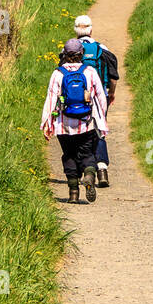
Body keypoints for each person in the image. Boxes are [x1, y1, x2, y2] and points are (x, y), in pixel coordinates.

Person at [42, 38, 109, 203]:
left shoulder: (58, 73)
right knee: (87, 153)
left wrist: (46, 123)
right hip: (86, 123)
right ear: (82, 54)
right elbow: (101, 97)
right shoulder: (90, 71)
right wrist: (101, 118)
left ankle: (73, 192)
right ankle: (88, 175)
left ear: (64, 54)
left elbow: (50, 99)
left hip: (63, 125)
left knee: (69, 155)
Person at [74, 15, 118, 187]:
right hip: (100, 97)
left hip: (76, 99)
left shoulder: (70, 49)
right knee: (98, 130)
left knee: (78, 132)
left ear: (75, 30)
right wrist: (111, 93)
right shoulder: (101, 48)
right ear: (91, 30)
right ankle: (101, 170)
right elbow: (113, 76)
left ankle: (79, 170)